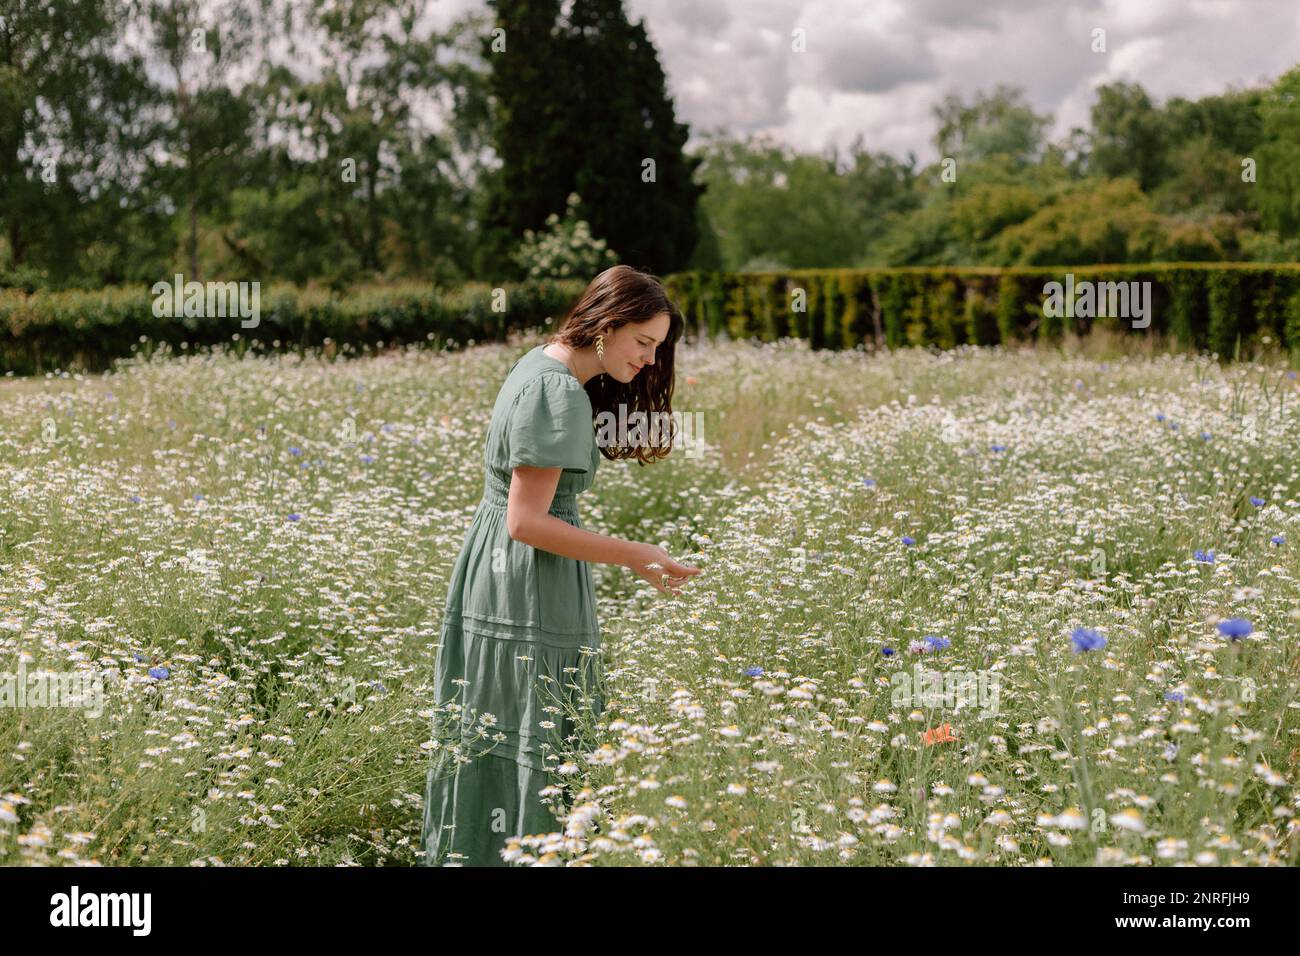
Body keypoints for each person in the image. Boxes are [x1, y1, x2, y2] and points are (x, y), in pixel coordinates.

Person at [421, 264, 703, 866]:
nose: (651, 361)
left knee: (500, 725)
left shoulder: (537, 364)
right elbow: (528, 522)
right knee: (540, 732)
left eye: (658, 347)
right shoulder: (556, 390)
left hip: (497, 568)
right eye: (643, 343)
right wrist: (639, 556)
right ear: (606, 325)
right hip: (530, 577)